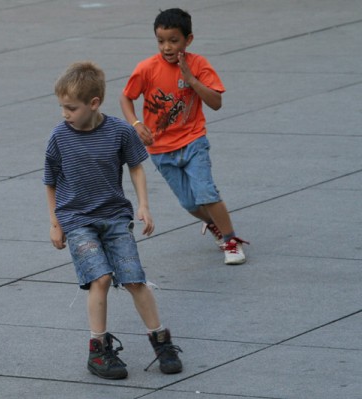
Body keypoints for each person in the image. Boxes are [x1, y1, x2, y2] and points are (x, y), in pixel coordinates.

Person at [44, 61, 183, 380]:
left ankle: (161, 341)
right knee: (101, 278)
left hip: (115, 217)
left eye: (71, 107)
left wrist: (144, 205)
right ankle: (98, 349)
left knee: (134, 279)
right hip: (77, 219)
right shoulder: (58, 137)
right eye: (62, 107)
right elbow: (50, 180)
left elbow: (136, 166)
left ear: (94, 104)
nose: (65, 113)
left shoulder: (120, 131)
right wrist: (55, 222)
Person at [119, 8, 249, 265]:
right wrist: (135, 123)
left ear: (188, 39)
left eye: (173, 40)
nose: (166, 47)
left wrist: (191, 79)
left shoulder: (198, 64)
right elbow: (126, 97)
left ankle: (231, 240)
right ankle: (214, 225)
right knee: (190, 204)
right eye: (161, 41)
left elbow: (216, 102)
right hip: (161, 149)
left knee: (206, 193)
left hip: (193, 140)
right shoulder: (146, 68)